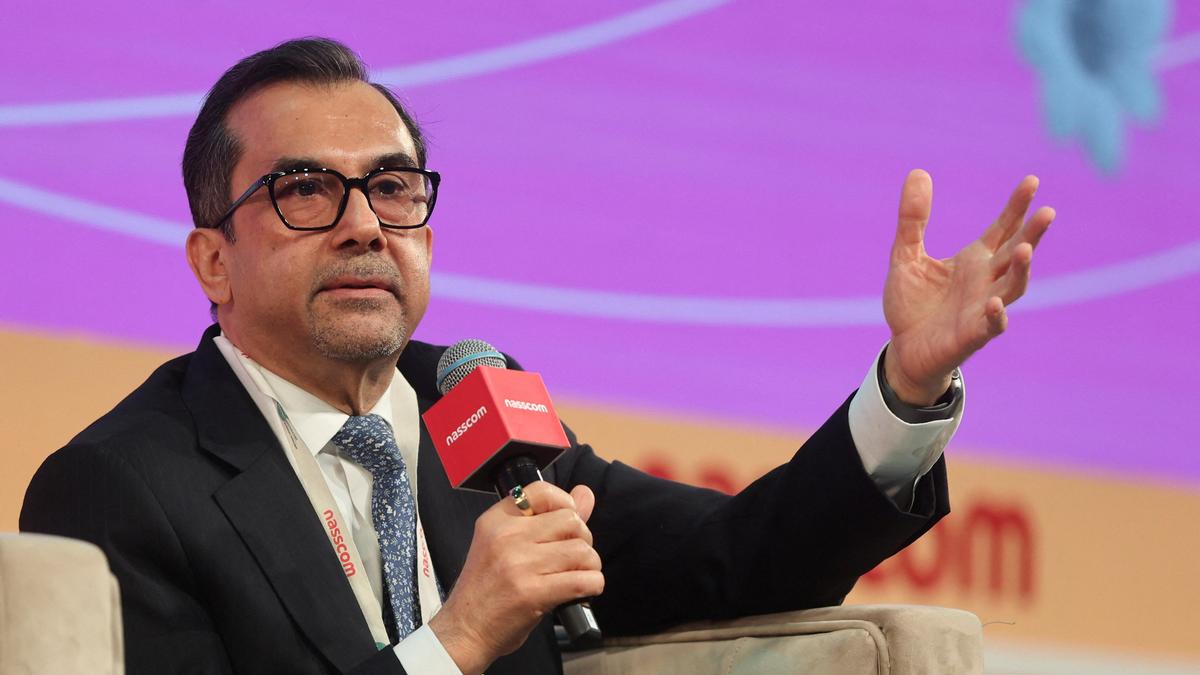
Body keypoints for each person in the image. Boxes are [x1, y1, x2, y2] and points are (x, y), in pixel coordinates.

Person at [20, 38, 1053, 675]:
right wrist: (458, 639)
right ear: (213, 260)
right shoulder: (122, 488)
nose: (364, 225)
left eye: (392, 188)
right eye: (305, 191)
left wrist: (908, 384)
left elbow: (739, 557)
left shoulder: (467, 402)